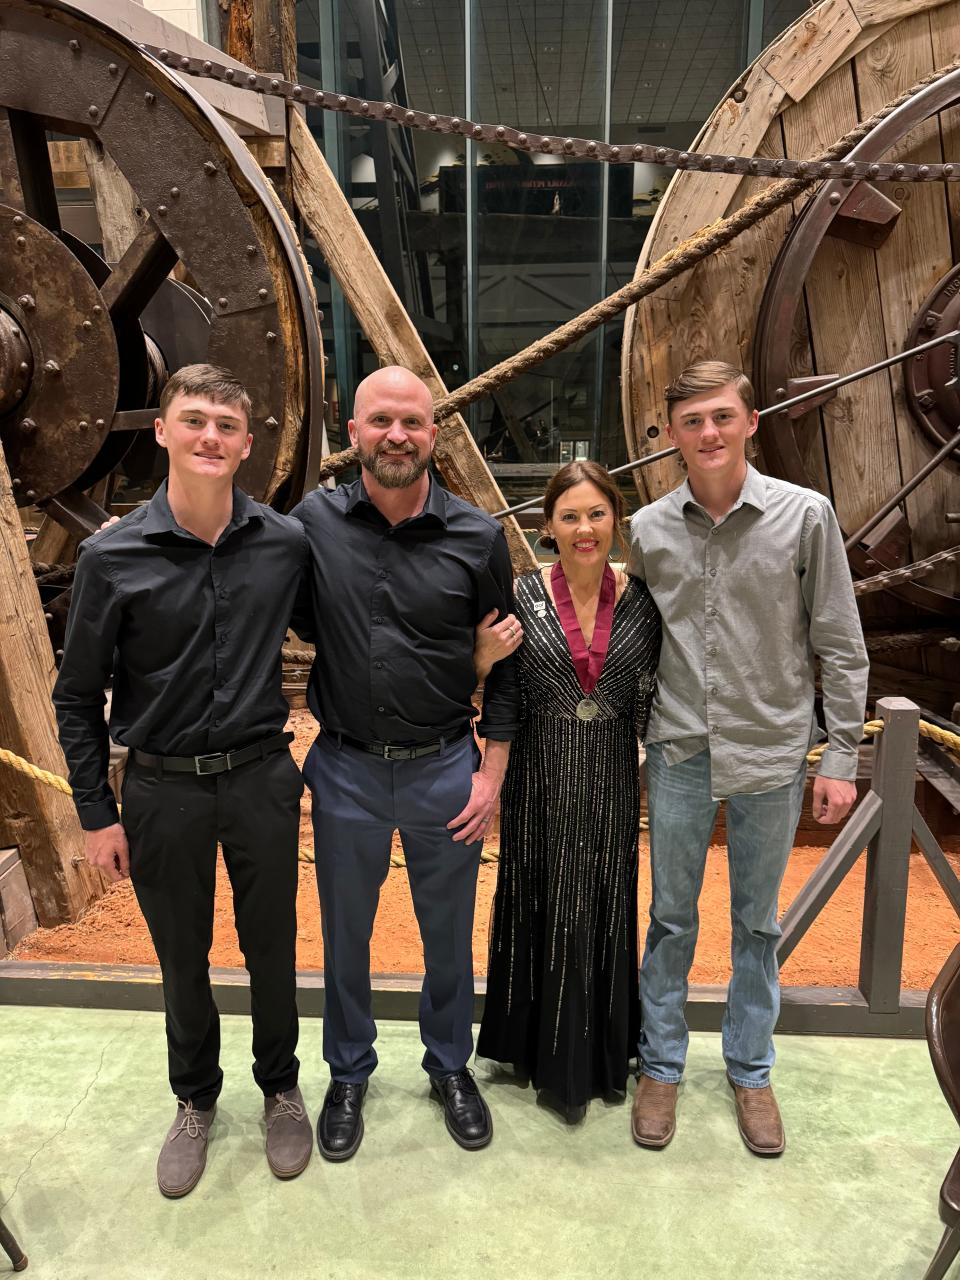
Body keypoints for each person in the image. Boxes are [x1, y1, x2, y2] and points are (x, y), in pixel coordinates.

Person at [53, 364, 313, 1197]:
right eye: (193, 419)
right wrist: (98, 813)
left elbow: (347, 633)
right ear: (162, 431)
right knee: (182, 958)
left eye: (227, 425)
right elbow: (74, 696)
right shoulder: (110, 556)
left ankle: (280, 1088)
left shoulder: (282, 545)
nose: (210, 436)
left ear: (245, 445)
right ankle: (195, 1100)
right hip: (160, 789)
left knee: (272, 946)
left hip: (261, 777)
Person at [628, 360, 869, 1157]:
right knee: (670, 918)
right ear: (671, 436)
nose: (708, 434)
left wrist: (840, 755)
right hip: (679, 751)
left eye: (721, 417)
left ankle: (750, 1069)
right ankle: (660, 1064)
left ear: (750, 421)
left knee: (756, 925)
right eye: (692, 422)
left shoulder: (806, 518)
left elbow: (838, 640)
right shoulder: (650, 529)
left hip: (771, 753)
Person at [290, 365, 519, 1158]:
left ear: (433, 434)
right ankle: (349, 1071)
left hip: (444, 767)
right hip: (346, 768)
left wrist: (489, 773)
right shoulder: (311, 524)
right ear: (352, 433)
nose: (397, 435)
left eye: (412, 423)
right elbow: (280, 619)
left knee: (447, 934)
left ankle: (449, 1063)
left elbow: (511, 667)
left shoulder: (477, 537)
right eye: (380, 420)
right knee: (343, 934)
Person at [474, 461, 661, 1122]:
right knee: (539, 893)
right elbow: (495, 686)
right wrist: (483, 664)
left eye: (597, 514)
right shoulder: (521, 597)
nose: (585, 529)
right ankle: (532, 1048)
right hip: (538, 772)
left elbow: (654, 694)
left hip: (611, 772)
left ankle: (601, 1054)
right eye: (570, 517)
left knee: (605, 899)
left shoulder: (643, 599)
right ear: (548, 527)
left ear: (617, 519)